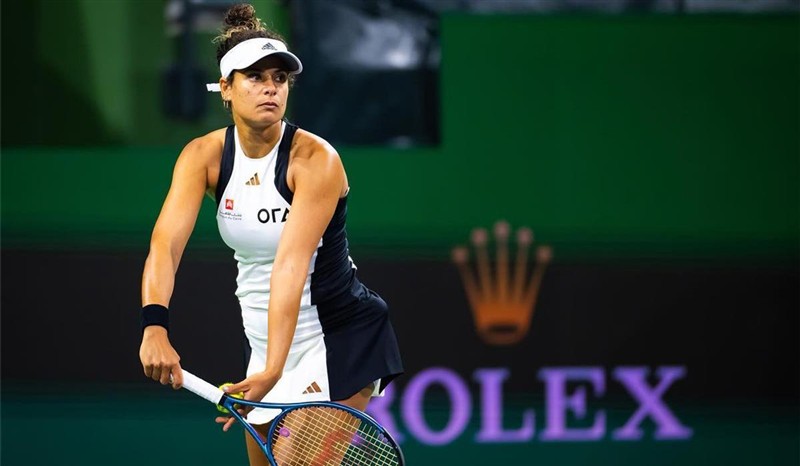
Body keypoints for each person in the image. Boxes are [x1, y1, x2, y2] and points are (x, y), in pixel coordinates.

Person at [138, 3, 403, 464]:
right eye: (255, 77)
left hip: (336, 339)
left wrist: (274, 371)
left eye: (279, 78)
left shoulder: (315, 161)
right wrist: (154, 326)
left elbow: (290, 264)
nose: (270, 88)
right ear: (225, 87)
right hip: (263, 342)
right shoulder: (203, 156)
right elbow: (166, 246)